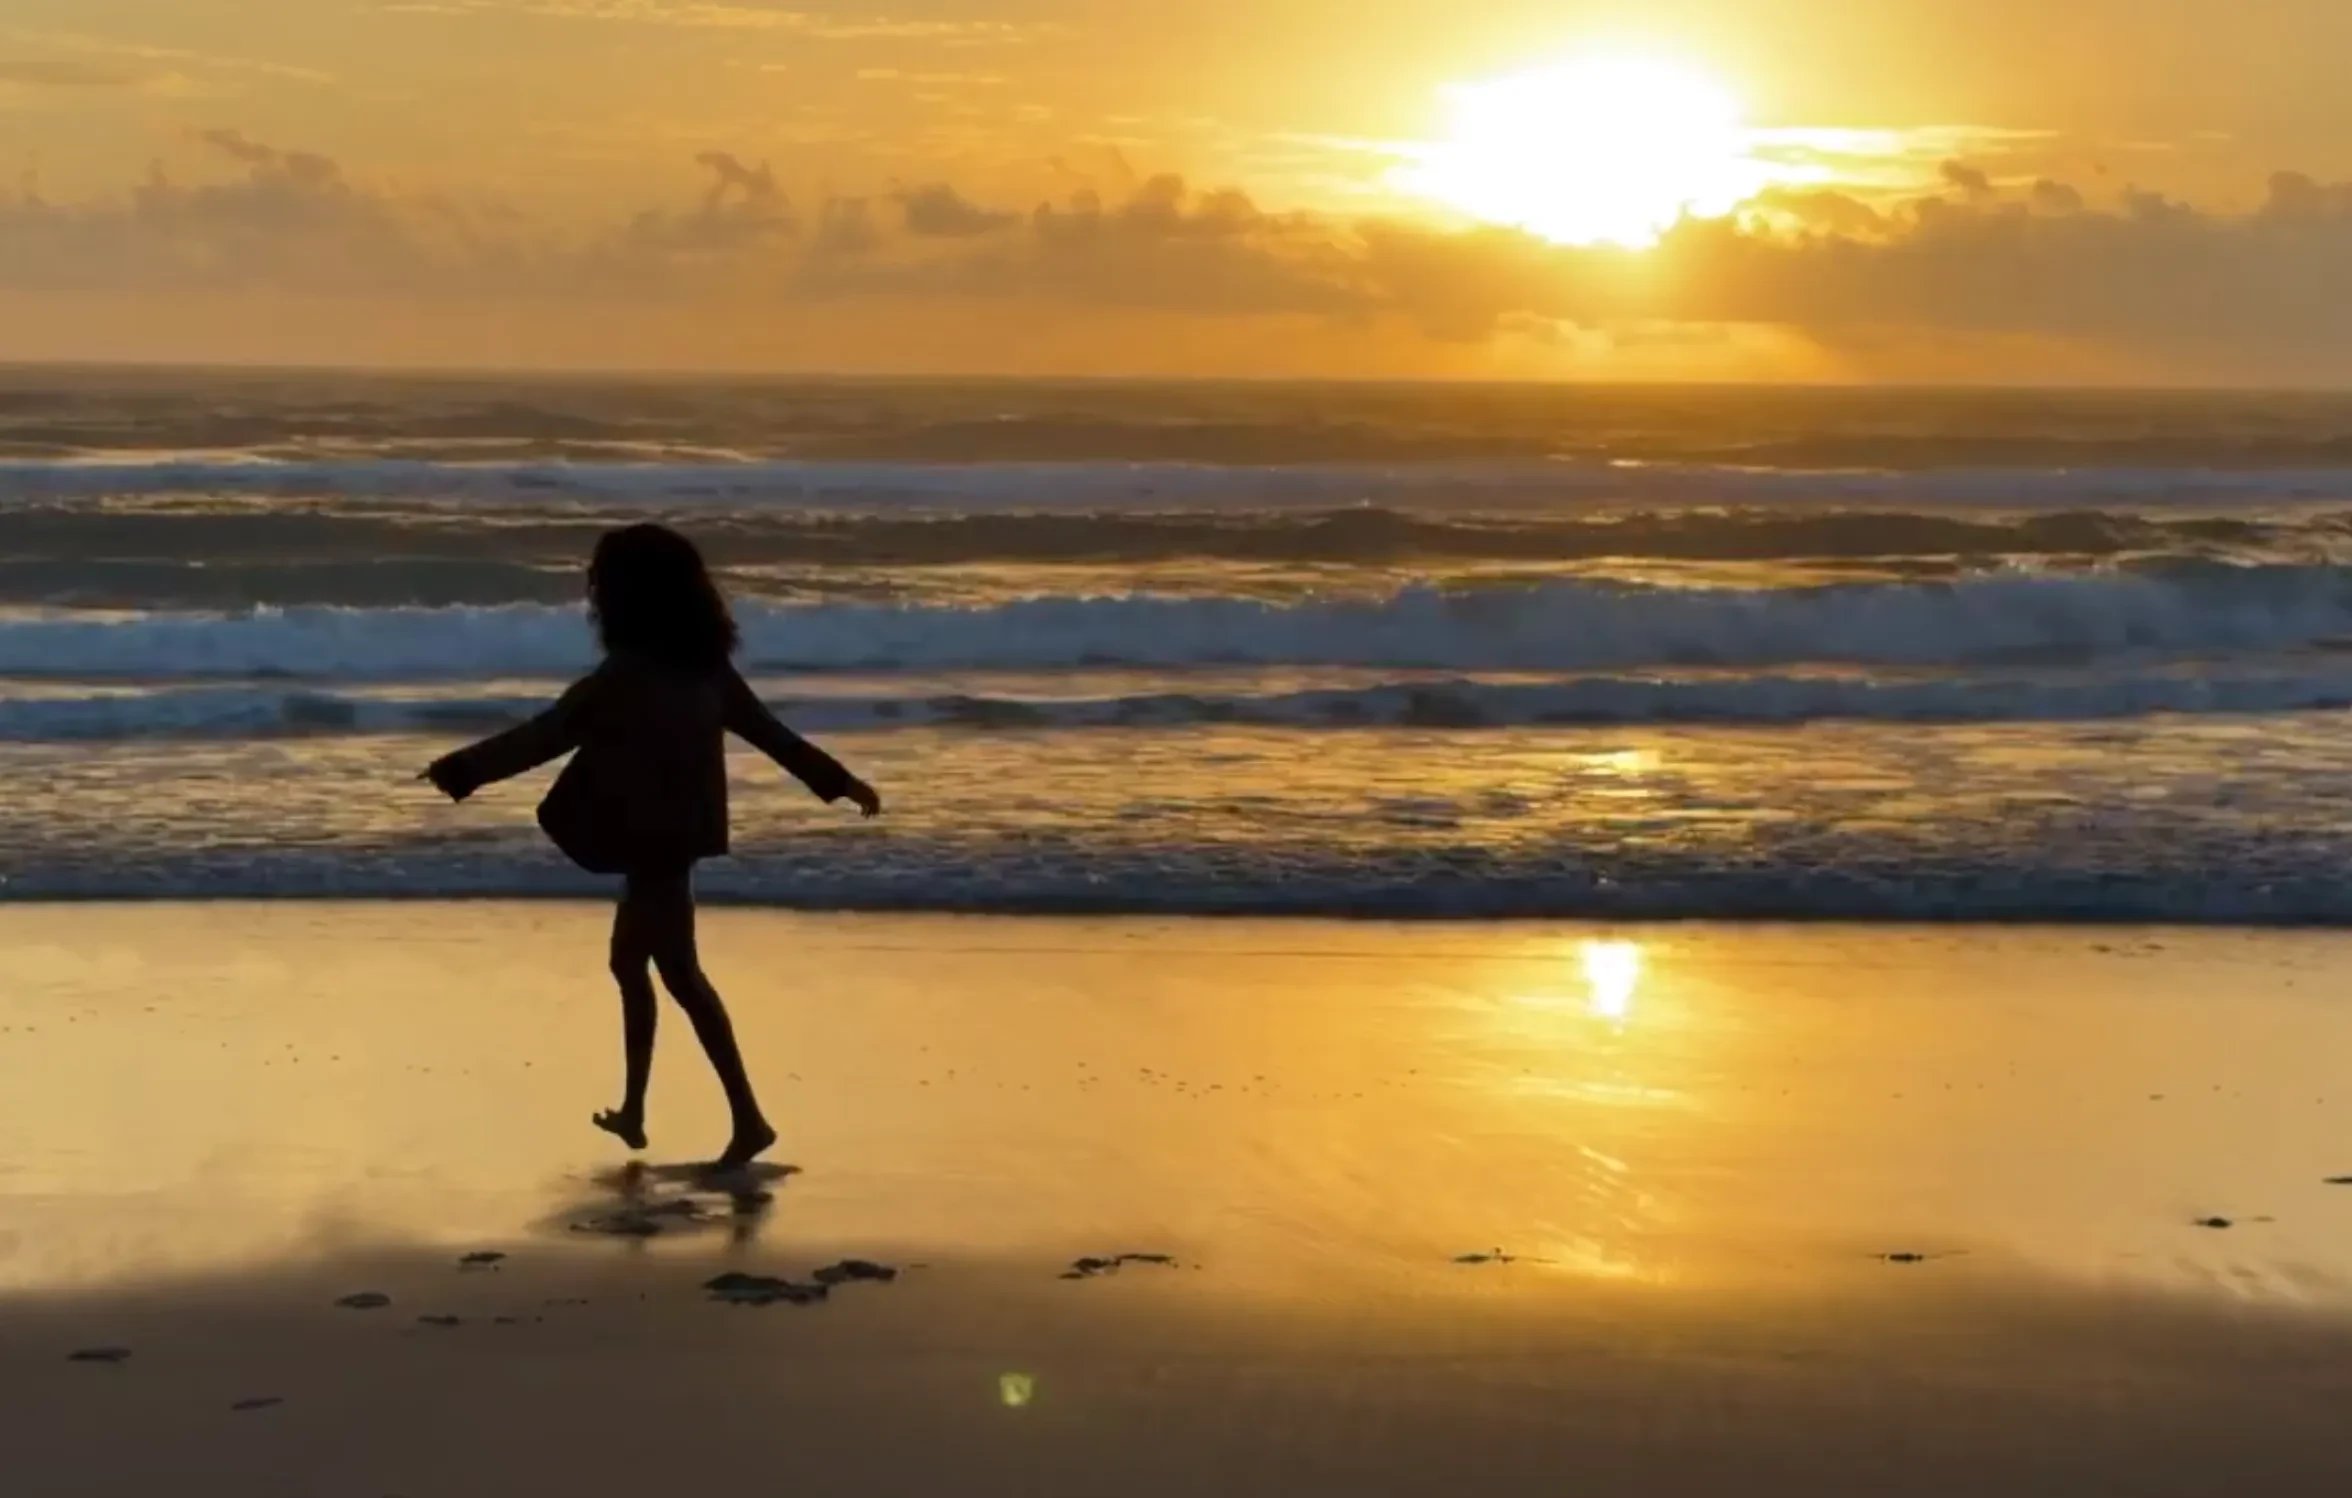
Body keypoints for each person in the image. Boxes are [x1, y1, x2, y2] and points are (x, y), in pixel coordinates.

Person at [421, 522, 879, 1169]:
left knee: (681, 975)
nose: (594, 593)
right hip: (672, 836)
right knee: (630, 963)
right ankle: (636, 1111)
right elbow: (775, 736)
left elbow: (546, 735)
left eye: (601, 583)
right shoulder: (706, 669)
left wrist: (461, 770)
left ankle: (749, 1120)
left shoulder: (627, 674)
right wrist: (838, 782)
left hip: (654, 839)